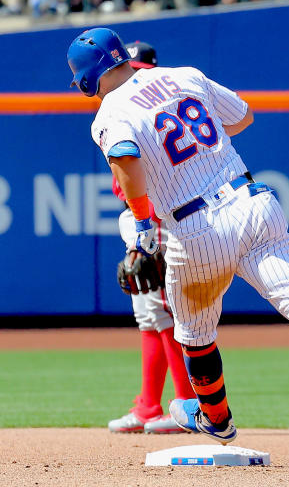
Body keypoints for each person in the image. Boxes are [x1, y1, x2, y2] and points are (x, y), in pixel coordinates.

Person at [67, 27, 289, 445]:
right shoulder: (184, 75)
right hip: (253, 200)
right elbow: (243, 116)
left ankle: (217, 419)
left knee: (194, 337)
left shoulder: (110, 113)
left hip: (196, 230)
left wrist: (141, 230)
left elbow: (126, 159)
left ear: (84, 79)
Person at [108, 42, 195, 434]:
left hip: (158, 216)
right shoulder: (123, 111)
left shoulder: (147, 109)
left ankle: (191, 404)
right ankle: (148, 406)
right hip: (142, 216)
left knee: (164, 311)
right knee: (149, 315)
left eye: (139, 68)